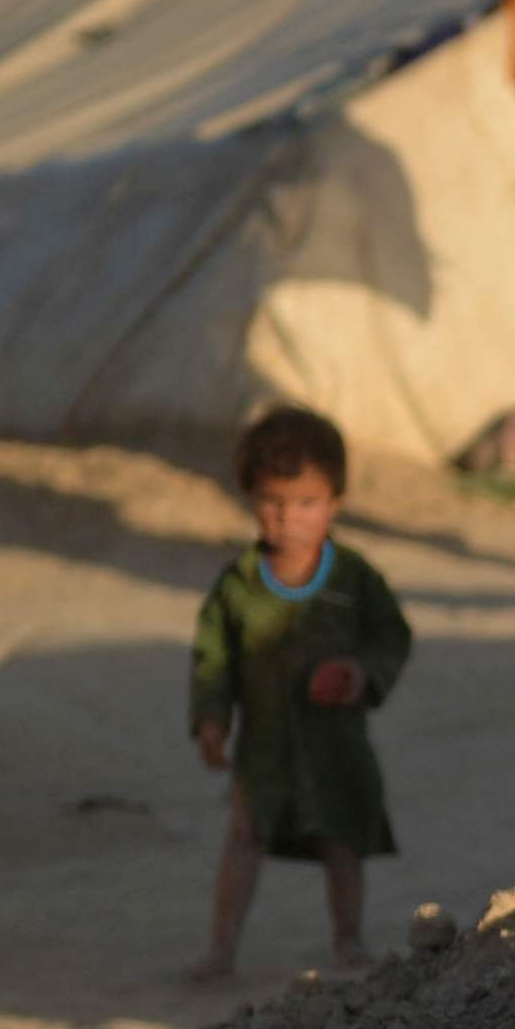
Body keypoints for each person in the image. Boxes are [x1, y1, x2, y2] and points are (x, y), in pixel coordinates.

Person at [188, 405, 411, 978]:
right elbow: (212, 659)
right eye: (272, 501)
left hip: (336, 746)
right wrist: (211, 721)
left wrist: (360, 675)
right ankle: (220, 953)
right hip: (263, 749)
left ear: (334, 501)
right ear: (249, 497)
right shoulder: (236, 587)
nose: (288, 517)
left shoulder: (353, 579)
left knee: (342, 845)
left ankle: (349, 941)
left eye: (306, 502)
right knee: (243, 839)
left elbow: (391, 636)